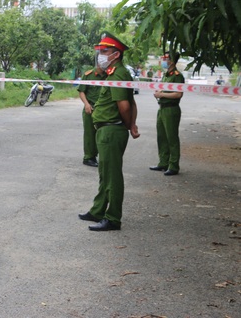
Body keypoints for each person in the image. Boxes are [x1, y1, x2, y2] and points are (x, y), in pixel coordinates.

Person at [78, 32, 140, 231]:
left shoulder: (119, 73)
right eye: (100, 51)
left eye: (105, 51)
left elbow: (125, 106)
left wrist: (127, 126)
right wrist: (130, 125)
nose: (101, 55)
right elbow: (131, 102)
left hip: (112, 130)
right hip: (106, 130)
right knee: (105, 174)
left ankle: (113, 218)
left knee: (112, 176)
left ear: (116, 54)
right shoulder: (113, 73)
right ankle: (98, 210)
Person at [149, 51, 184, 176]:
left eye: (166, 58)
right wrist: (159, 92)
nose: (163, 60)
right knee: (161, 137)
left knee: (171, 138)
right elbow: (163, 89)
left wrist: (162, 94)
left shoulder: (177, 76)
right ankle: (163, 162)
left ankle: (173, 165)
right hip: (162, 108)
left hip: (171, 109)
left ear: (172, 61)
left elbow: (178, 94)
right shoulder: (166, 75)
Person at [77, 65, 107, 167]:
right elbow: (81, 91)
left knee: (102, 134)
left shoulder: (108, 75)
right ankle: (89, 157)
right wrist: (86, 104)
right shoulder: (88, 75)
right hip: (90, 108)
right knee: (90, 134)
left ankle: (99, 155)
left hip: (103, 110)